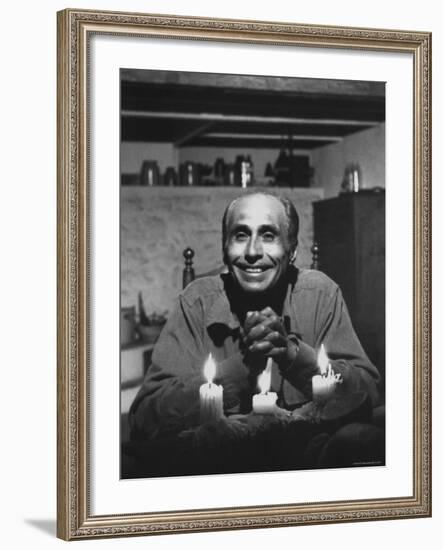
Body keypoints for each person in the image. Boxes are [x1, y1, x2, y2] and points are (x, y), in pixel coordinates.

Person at [129, 192, 381, 441]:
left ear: (292, 250)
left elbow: (369, 393)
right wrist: (239, 370)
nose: (252, 251)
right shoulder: (197, 303)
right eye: (241, 235)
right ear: (224, 249)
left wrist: (292, 354)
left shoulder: (320, 295)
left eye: (268, 235)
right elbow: (144, 417)